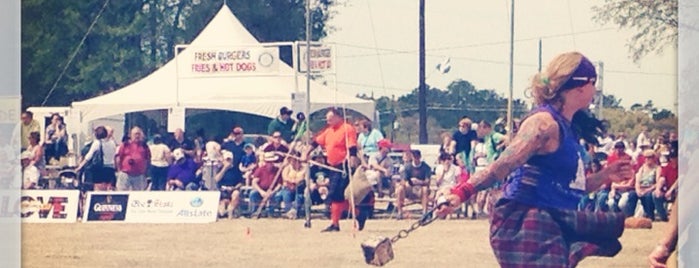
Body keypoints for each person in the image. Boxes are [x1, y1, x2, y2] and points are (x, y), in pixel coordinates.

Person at [437, 52, 634, 267]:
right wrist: (461, 192)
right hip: (525, 220)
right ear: (580, 86)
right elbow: (501, 166)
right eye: (593, 83)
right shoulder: (543, 124)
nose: (595, 90)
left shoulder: (568, 127)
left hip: (551, 218)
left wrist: (605, 176)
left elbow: (569, 188)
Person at [305, 107, 369, 232]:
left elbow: (352, 146)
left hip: (344, 166)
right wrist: (305, 154)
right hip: (332, 166)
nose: (328, 121)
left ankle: (337, 222)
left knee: (335, 195)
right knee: (337, 197)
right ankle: (356, 214)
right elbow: (315, 142)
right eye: (327, 119)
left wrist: (351, 159)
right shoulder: (328, 131)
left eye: (330, 119)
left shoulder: (347, 128)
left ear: (338, 117)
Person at [76, 126, 118, 191]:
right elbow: (114, 154)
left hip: (100, 168)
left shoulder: (97, 143)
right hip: (110, 169)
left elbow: (89, 156)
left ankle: (99, 200)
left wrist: (80, 166)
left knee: (99, 188)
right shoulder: (112, 143)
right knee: (108, 188)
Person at [116, 127, 151, 191]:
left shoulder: (144, 146)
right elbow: (118, 158)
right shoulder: (125, 145)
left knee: (138, 194)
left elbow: (147, 159)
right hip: (125, 173)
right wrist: (119, 171)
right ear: (130, 135)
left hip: (139, 174)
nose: (137, 136)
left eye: (138, 134)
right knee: (122, 192)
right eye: (135, 134)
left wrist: (146, 172)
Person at [214, 150, 244, 219]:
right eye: (226, 160)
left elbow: (241, 182)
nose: (228, 161)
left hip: (233, 189)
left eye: (229, 159)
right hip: (222, 191)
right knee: (221, 211)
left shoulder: (236, 170)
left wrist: (234, 188)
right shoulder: (220, 169)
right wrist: (224, 169)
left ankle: (231, 210)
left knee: (236, 194)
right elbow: (216, 179)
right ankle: (223, 209)